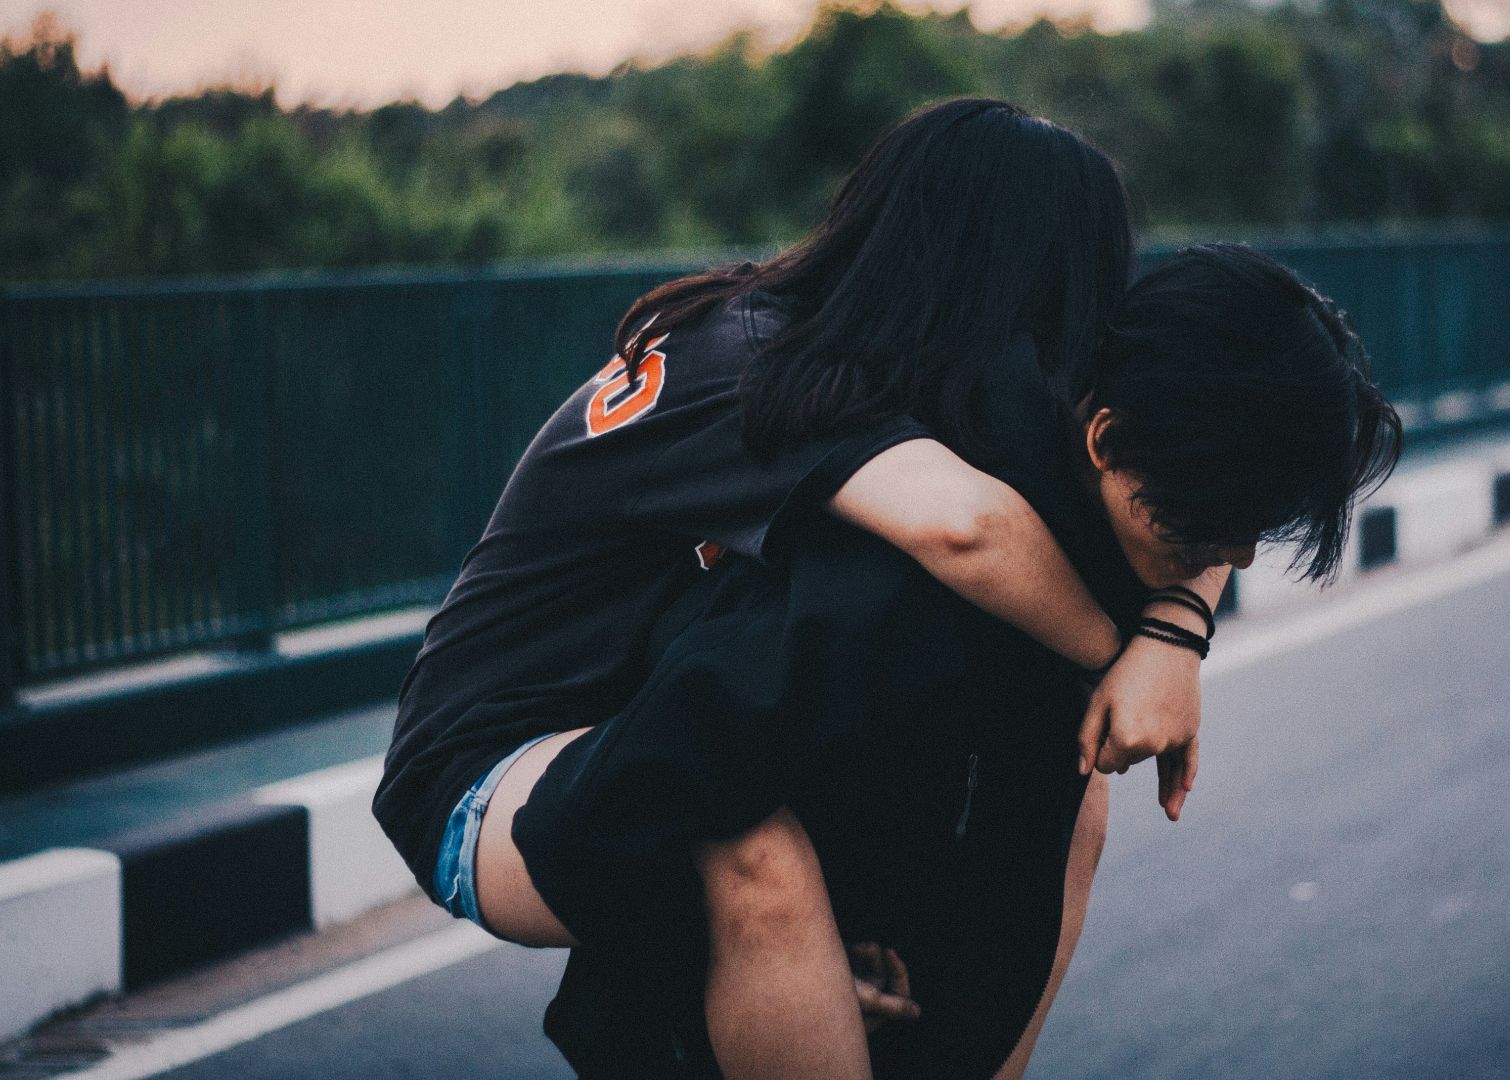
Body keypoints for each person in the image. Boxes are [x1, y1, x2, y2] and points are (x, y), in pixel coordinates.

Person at [372, 99, 1214, 1077]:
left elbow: (1196, 470)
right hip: (490, 773)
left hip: (670, 728)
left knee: (1077, 789)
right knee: (750, 845)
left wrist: (1179, 624)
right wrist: (1132, 660)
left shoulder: (909, 367)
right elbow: (968, 531)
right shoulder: (758, 355)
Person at [521, 243, 1403, 1077]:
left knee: (1081, 803)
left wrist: (1175, 630)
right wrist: (780, 952)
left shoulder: (1126, 470)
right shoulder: (897, 592)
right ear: (1105, 442)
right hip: (698, 1009)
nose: (1239, 555)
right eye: (1217, 523)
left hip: (912, 959)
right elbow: (633, 787)